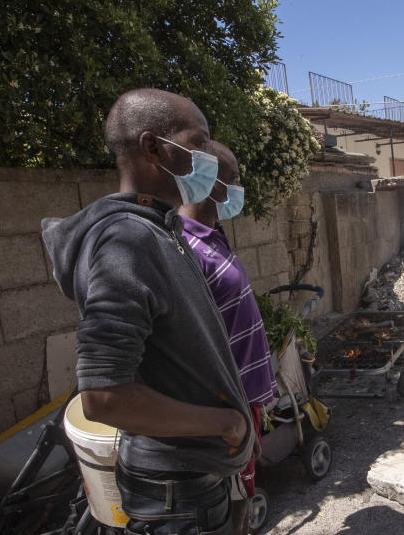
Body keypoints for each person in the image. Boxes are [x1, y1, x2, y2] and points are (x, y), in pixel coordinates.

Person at [42, 89, 254, 535]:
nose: (208, 157)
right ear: (153, 147)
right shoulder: (127, 241)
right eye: (198, 143)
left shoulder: (157, 229)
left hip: (188, 480)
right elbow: (103, 396)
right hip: (177, 491)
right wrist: (226, 422)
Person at [178, 141, 276, 535]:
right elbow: (195, 342)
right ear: (210, 183)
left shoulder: (213, 235)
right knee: (231, 501)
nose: (237, 190)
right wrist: (232, 417)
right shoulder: (185, 246)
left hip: (243, 400)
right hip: (226, 406)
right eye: (232, 180)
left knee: (243, 495)